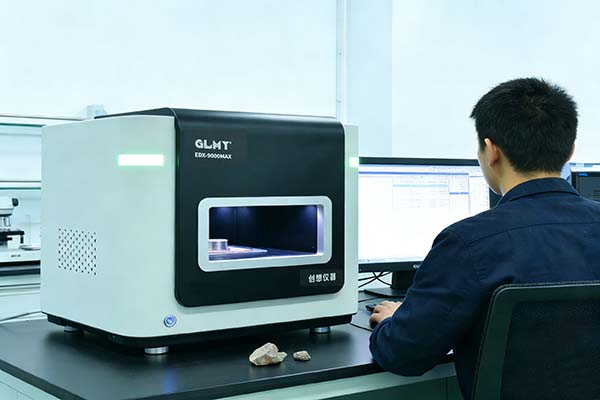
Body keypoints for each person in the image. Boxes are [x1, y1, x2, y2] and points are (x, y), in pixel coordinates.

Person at [368, 77, 600, 399]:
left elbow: (404, 354)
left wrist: (394, 321)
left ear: (491, 151)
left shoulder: (468, 243)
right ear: (570, 150)